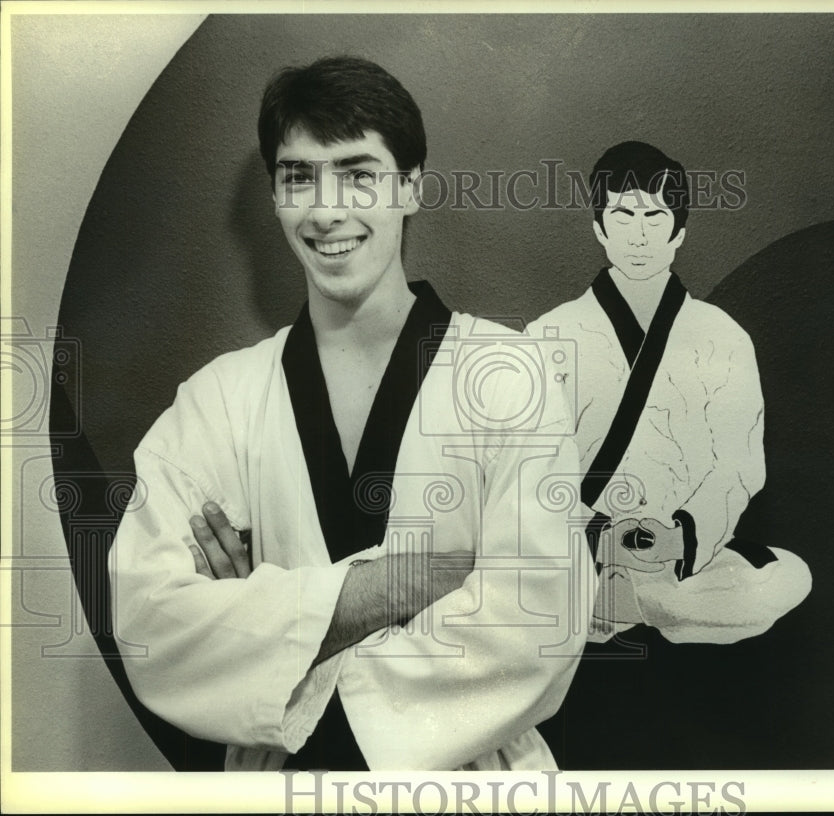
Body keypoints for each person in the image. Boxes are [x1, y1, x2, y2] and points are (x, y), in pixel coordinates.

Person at [110, 56, 592, 772]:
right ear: (275, 196)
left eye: (359, 173)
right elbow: (152, 625)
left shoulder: (508, 376)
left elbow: (538, 623)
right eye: (298, 177)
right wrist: (399, 584)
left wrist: (266, 625)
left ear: (412, 186)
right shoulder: (219, 401)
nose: (327, 211)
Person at [528, 140, 811, 645]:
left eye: (655, 217)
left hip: (678, 557)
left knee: (788, 575)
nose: (639, 235)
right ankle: (632, 603)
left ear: (679, 231)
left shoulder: (723, 336)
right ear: (599, 228)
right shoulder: (549, 335)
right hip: (583, 548)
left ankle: (638, 605)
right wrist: (600, 537)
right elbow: (530, 468)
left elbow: (738, 467)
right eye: (623, 215)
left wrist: (680, 538)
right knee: (504, 561)